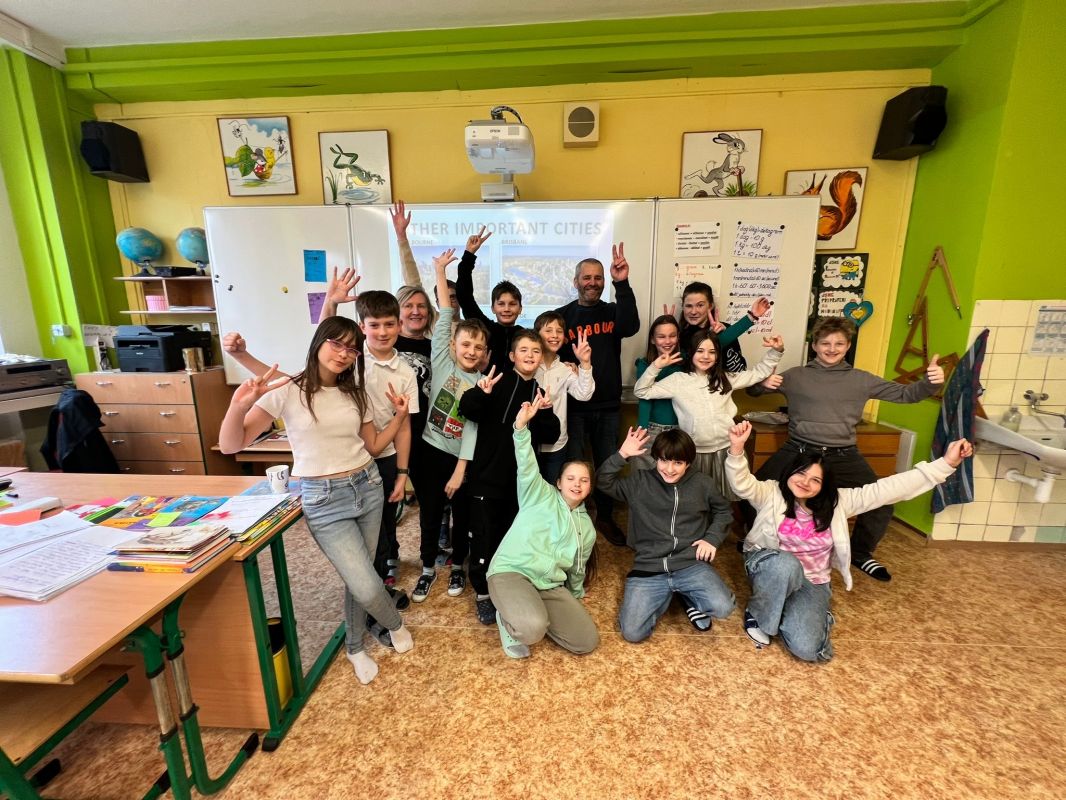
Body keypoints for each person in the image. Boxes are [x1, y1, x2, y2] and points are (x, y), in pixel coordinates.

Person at [219, 317, 414, 685]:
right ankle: (394, 623)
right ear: (319, 342)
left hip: (367, 485)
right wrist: (237, 406)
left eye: (351, 348)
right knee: (366, 583)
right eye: (336, 343)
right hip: (324, 500)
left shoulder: (354, 392)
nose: (343, 353)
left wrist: (400, 416)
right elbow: (231, 445)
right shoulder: (288, 389)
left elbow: (374, 446)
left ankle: (354, 646)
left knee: (358, 576)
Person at [726, 420, 972, 662]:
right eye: (801, 473)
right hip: (770, 567)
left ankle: (809, 612)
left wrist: (945, 464)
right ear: (790, 472)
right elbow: (742, 485)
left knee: (808, 650)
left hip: (812, 581)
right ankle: (760, 615)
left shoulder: (839, 502)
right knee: (786, 565)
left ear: (825, 486)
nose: (805, 482)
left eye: (815, 480)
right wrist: (736, 449)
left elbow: (888, 489)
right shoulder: (770, 492)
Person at [746, 316, 945, 581]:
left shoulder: (861, 379)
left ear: (848, 345)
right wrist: (762, 384)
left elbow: (906, 394)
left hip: (843, 453)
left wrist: (931, 383)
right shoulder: (796, 376)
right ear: (814, 345)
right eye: (825, 343)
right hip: (799, 450)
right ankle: (758, 547)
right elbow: (753, 392)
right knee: (753, 489)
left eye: (839, 343)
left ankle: (860, 554)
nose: (832, 349)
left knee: (882, 503)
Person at [458, 331, 561, 624]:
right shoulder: (495, 381)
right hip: (487, 479)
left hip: (521, 484)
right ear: (513, 356)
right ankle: (482, 593)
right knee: (484, 537)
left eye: (536, 351)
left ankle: (508, 588)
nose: (530, 355)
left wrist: (546, 411)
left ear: (541, 358)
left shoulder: (540, 393)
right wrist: (481, 392)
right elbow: (467, 409)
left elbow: (551, 436)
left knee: (511, 537)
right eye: (524, 350)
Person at [487, 393, 599, 659]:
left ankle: (531, 610)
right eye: (570, 478)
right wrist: (520, 428)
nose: (576, 484)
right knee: (531, 630)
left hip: (548, 584)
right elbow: (526, 463)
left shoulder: (587, 528)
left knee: (586, 641)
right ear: (558, 482)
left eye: (583, 480)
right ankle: (510, 618)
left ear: (589, 487)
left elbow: (578, 567)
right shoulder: (538, 493)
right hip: (512, 572)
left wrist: (575, 595)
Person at [598, 427, 735, 642]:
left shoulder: (703, 484)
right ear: (656, 459)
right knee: (632, 633)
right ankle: (671, 595)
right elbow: (603, 482)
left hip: (690, 563)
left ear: (688, 463)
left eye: (678, 463)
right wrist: (622, 454)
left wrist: (712, 539)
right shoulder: (639, 482)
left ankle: (689, 598)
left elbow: (724, 511)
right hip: (649, 566)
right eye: (663, 461)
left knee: (723, 607)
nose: (669, 469)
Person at [412, 249, 488, 604]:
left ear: (485, 353)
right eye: (466, 344)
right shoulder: (441, 360)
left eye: (478, 347)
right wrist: (440, 270)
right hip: (430, 452)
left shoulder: (482, 384)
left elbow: (472, 428)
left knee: (461, 517)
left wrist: (461, 470)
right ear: (453, 346)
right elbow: (445, 312)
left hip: (461, 459)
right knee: (429, 514)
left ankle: (458, 565)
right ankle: (428, 567)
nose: (471, 351)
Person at [633, 329, 783, 500]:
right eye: (700, 351)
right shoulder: (678, 380)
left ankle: (725, 518)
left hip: (726, 450)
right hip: (695, 453)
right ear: (691, 353)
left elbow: (759, 372)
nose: (706, 356)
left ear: (717, 356)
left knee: (725, 498)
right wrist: (655, 367)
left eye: (712, 352)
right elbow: (641, 391)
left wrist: (776, 351)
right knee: (695, 500)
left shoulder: (725, 378)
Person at [556, 244, 641, 546]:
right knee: (574, 465)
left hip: (608, 407)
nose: (592, 283)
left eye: (598, 278)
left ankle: (604, 516)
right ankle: (572, 518)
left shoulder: (612, 312)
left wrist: (622, 283)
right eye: (586, 277)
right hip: (574, 408)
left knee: (607, 465)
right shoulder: (562, 316)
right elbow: (548, 351)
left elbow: (632, 326)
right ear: (576, 281)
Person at [455, 226, 527, 375]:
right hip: (484, 386)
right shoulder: (484, 328)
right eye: (501, 304)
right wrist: (469, 255)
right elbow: (464, 297)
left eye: (512, 304)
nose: (506, 309)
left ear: (520, 309)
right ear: (493, 308)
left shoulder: (525, 335)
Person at [532, 311, 594, 482]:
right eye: (548, 330)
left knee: (553, 489)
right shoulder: (528, 365)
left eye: (559, 331)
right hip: (529, 442)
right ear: (537, 335)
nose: (554, 335)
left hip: (557, 445)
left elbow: (584, 394)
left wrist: (585, 363)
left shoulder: (565, 369)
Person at [678, 282, 771, 373]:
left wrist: (751, 316)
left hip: (738, 380)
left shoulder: (725, 328)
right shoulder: (683, 336)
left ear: (710, 306)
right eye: (689, 306)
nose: (693, 311)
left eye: (700, 305)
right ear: (683, 306)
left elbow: (740, 364)